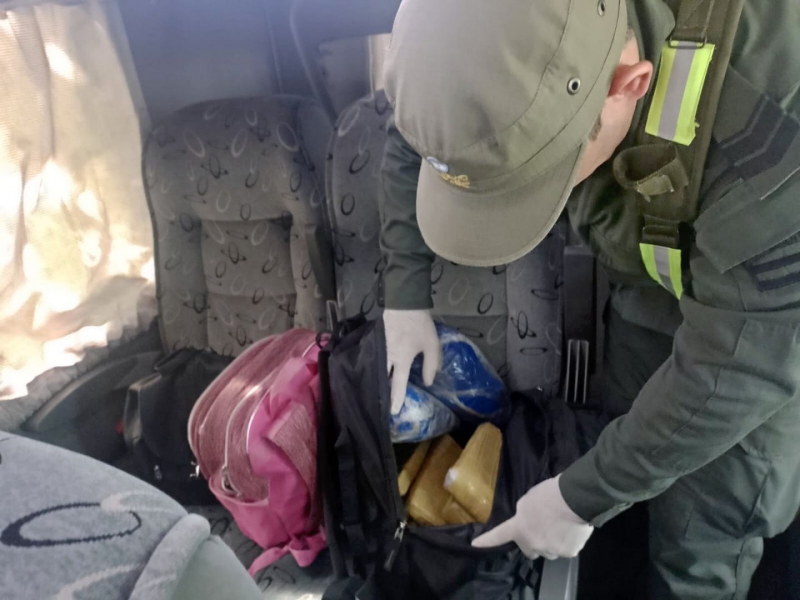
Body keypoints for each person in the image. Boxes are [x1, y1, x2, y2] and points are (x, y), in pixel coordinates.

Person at [377, 0, 800, 598]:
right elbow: (428, 131)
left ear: (629, 85)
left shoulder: (770, 130)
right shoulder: (480, 35)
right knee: (616, 469)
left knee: (699, 538)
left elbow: (740, 366)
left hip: (759, 322)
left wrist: (581, 498)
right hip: (646, 280)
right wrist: (404, 298)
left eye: (536, 179)